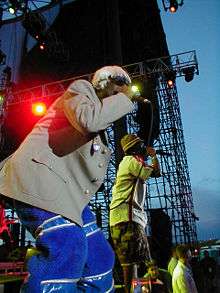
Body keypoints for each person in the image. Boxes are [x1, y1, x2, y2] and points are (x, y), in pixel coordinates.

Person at [0, 65, 135, 292]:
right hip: (39, 183)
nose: (124, 93)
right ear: (108, 82)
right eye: (122, 87)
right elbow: (88, 120)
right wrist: (125, 99)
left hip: (67, 196)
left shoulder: (100, 122)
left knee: (100, 257)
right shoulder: (81, 90)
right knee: (67, 244)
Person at [109, 133, 161, 292]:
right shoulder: (133, 160)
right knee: (147, 262)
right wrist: (153, 156)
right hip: (129, 218)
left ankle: (132, 291)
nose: (143, 147)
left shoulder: (125, 162)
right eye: (140, 145)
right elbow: (155, 173)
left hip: (117, 220)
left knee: (129, 265)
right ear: (133, 148)